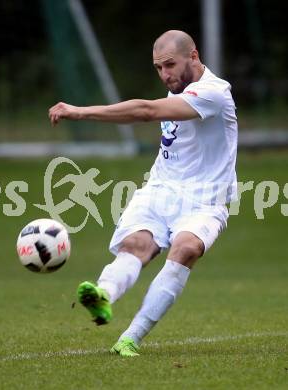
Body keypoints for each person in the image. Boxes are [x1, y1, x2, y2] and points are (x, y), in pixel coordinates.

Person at [49, 30, 238, 357]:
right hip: (159, 191)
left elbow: (146, 111)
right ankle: (103, 296)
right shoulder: (177, 92)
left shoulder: (214, 93)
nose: (165, 75)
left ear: (193, 56)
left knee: (187, 248)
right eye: (158, 68)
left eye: (170, 65)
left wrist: (81, 112)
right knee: (135, 246)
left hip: (204, 200)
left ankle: (131, 337)